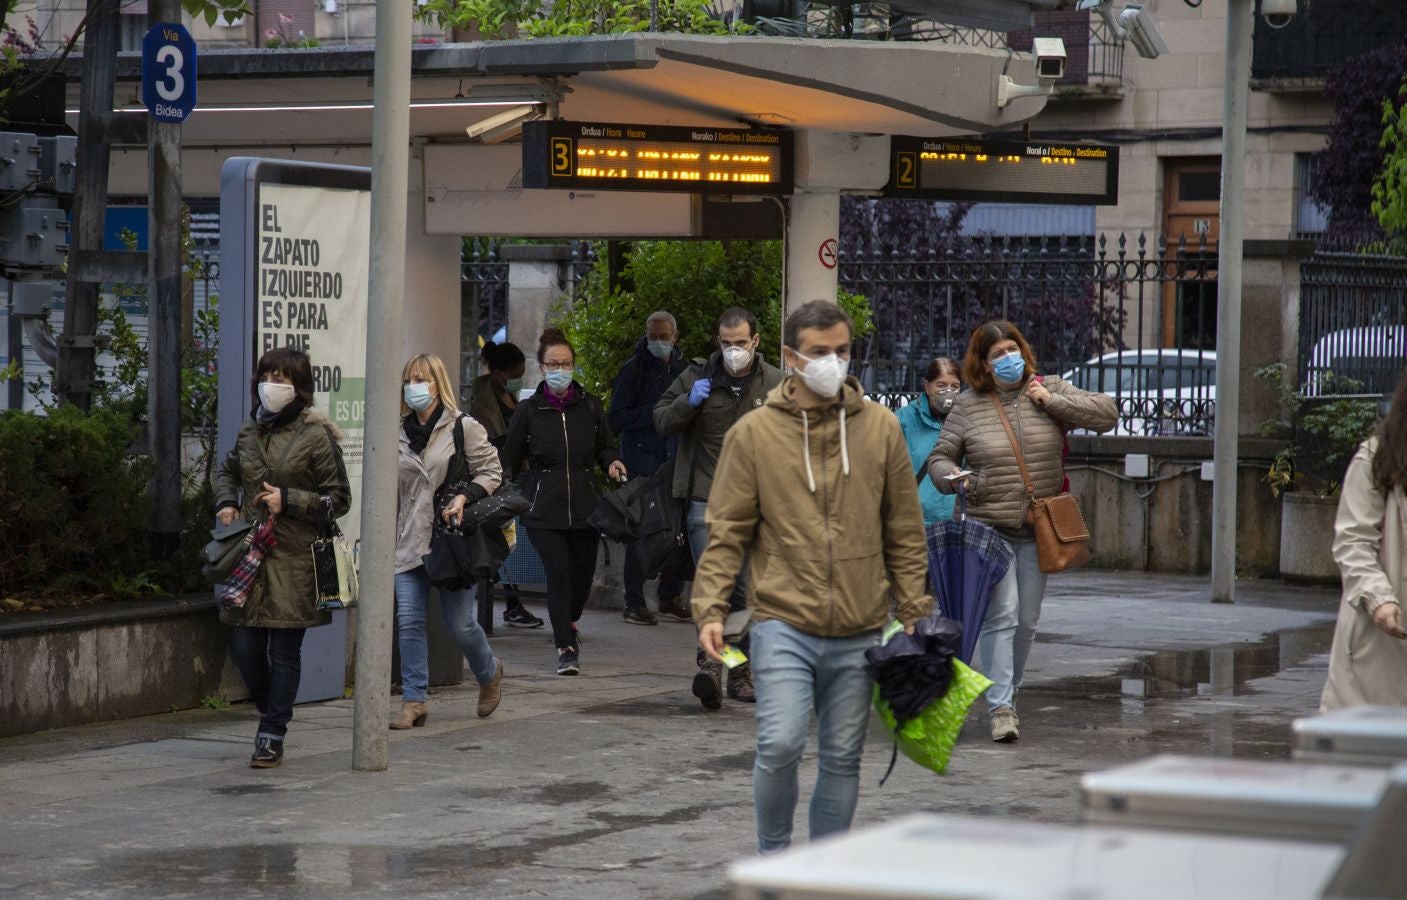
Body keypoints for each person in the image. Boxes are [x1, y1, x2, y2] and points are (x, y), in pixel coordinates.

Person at [693, 300, 933, 854]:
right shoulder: (754, 434)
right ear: (790, 357)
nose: (832, 362)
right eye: (819, 352)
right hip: (783, 620)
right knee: (778, 744)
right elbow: (727, 529)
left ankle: (824, 872)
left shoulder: (880, 430)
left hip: (861, 624)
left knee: (842, 756)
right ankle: (775, 863)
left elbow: (903, 527)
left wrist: (915, 609)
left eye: (842, 352)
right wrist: (709, 608)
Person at [928, 320, 1116, 743]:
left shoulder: (1048, 389)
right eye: (997, 355)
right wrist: (952, 476)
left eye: (1012, 349)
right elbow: (941, 456)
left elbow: (1107, 414)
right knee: (1004, 614)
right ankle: (1002, 709)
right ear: (983, 363)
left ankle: (1007, 692)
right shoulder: (969, 405)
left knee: (1027, 621)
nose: (1008, 359)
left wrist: (1052, 401)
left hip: (1038, 526)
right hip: (987, 526)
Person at [215, 348, 351, 769]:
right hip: (251, 557)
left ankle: (272, 732)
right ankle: (269, 706)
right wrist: (226, 502)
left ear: (300, 388)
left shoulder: (316, 437)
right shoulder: (249, 431)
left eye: (283, 378)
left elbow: (339, 499)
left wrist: (288, 499)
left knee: (285, 653)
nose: (272, 385)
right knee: (244, 647)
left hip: (295, 559)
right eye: (267, 376)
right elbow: (228, 471)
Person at [655, 306, 782, 709]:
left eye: (740, 343)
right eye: (726, 344)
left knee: (744, 591)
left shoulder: (776, 382)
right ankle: (711, 665)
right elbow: (660, 420)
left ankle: (739, 672)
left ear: (755, 342)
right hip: (704, 501)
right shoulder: (697, 377)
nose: (733, 351)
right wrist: (686, 405)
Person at [501, 329, 627, 675]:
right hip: (543, 508)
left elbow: (605, 446)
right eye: (553, 363)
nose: (560, 369)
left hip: (586, 506)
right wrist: (500, 493)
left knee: (581, 579)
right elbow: (509, 457)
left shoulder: (590, 406)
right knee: (559, 576)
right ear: (541, 368)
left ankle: (569, 621)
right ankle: (565, 649)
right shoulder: (529, 411)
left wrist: (612, 461)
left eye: (566, 363)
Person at [392, 353, 506, 730]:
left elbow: (492, 470)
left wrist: (464, 496)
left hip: (450, 541)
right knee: (408, 621)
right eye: (410, 379)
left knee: (461, 626)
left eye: (422, 379)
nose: (415, 386)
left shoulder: (462, 427)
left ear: (438, 384)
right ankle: (415, 700)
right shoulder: (396, 431)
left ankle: (488, 672)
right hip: (409, 541)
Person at [1321, 370, 1407, 710]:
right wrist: (1379, 598)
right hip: (1381, 647)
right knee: (1370, 752)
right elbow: (1353, 540)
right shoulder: (1377, 458)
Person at [609, 310, 688, 625]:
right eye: (652, 336)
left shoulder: (683, 371)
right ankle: (634, 600)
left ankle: (669, 596)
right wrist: (656, 413)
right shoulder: (633, 371)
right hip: (643, 462)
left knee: (678, 532)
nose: (658, 342)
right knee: (640, 533)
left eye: (663, 337)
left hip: (675, 460)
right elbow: (617, 418)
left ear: (675, 337)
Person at [467, 339, 545, 630]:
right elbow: (495, 439)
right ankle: (511, 602)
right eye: (514, 375)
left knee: (512, 542)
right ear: (499, 373)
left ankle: (512, 602)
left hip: (517, 474)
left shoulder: (510, 398)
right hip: (498, 475)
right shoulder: (483, 400)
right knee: (500, 540)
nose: (517, 381)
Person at [895, 357, 961, 527]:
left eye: (955, 386)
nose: (948, 392)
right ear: (927, 386)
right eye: (941, 385)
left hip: (956, 521)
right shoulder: (904, 420)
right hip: (915, 522)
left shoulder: (966, 420)